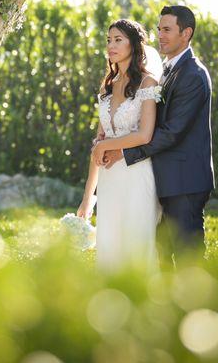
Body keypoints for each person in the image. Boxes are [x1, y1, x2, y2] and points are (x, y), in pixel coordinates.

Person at [99, 5, 215, 269]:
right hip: (160, 177)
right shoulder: (166, 70)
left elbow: (172, 132)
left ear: (186, 33)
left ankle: (198, 308)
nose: (160, 35)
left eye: (167, 30)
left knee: (188, 257)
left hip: (184, 181)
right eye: (159, 29)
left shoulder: (193, 75)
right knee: (159, 257)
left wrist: (125, 152)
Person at [76, 18, 163, 273]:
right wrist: (86, 198)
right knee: (110, 247)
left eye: (118, 40)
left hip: (137, 175)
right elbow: (98, 147)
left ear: (134, 45)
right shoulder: (107, 86)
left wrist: (107, 146)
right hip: (109, 180)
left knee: (136, 246)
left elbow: (145, 134)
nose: (111, 46)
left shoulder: (148, 84)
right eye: (108, 40)